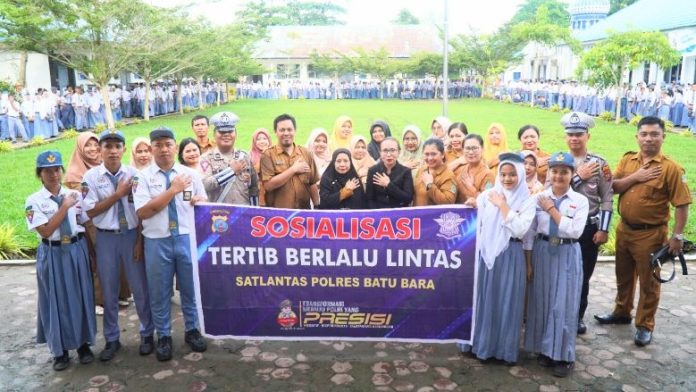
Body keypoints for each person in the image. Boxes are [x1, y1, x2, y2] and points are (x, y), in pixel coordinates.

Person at [594, 116, 691, 347]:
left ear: (663, 137)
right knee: (623, 276)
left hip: (651, 234)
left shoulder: (672, 169)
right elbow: (613, 188)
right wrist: (636, 177)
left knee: (649, 282)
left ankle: (645, 325)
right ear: (637, 136)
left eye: (654, 134)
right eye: (644, 134)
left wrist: (676, 236)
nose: (648, 139)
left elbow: (682, 205)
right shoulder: (628, 161)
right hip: (624, 229)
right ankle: (622, 312)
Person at [132, 127, 208, 362]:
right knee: (159, 292)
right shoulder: (142, 177)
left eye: (168, 144)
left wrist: (199, 200)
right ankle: (163, 336)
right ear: (152, 148)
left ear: (175, 146)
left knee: (190, 289)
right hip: (157, 241)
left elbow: (203, 199)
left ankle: (192, 330)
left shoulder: (190, 174)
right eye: (158, 145)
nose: (164, 149)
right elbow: (144, 212)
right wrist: (173, 190)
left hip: (186, 238)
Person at [82, 130, 154, 361]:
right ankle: (112, 339)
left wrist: (140, 241)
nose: (112, 151)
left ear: (123, 149)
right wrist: (118, 194)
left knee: (140, 288)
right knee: (109, 289)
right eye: (108, 147)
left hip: (132, 235)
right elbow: (90, 211)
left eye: (117, 146)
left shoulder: (135, 175)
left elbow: (142, 211)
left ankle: (147, 334)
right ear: (100, 150)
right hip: (106, 238)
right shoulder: (91, 178)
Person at [25, 150, 96, 371]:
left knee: (81, 295)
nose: (54, 174)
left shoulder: (75, 195)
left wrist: (91, 255)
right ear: (40, 174)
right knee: (55, 300)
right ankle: (60, 351)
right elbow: (45, 231)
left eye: (57, 169)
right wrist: (63, 207)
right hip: (52, 253)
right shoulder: (34, 201)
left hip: (76, 249)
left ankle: (83, 344)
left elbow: (84, 226)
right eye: (47, 171)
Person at [524, 151, 589, 378]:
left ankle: (564, 355)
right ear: (549, 173)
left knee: (563, 305)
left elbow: (574, 230)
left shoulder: (580, 201)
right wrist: (529, 263)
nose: (559, 176)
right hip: (542, 251)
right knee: (541, 301)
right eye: (555, 171)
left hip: (566, 252)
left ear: (572, 174)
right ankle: (546, 349)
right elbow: (530, 233)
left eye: (564, 172)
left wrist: (551, 208)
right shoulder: (537, 199)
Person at [468, 152, 535, 365]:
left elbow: (520, 230)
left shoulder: (527, 200)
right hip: (488, 255)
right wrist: (471, 203)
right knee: (486, 300)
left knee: (507, 301)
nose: (507, 179)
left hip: (510, 255)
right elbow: (475, 213)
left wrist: (503, 206)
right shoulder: (488, 196)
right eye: (503, 174)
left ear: (521, 176)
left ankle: (504, 350)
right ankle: (482, 346)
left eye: (512, 175)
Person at [554, 112, 613, 335]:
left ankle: (577, 316)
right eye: (570, 134)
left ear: (587, 135)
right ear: (565, 137)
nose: (574, 139)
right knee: (559, 272)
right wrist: (577, 176)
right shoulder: (559, 161)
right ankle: (559, 311)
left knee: (582, 274)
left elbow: (607, 197)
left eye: (579, 134)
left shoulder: (600, 164)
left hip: (589, 229)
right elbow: (554, 191)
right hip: (562, 226)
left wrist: (604, 229)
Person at [260, 114, 319, 209]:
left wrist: (317, 206)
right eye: (282, 130)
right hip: (279, 216)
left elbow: (312, 183)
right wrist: (293, 170)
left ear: (295, 131)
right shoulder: (268, 155)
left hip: (303, 214)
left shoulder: (306, 153)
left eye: (289, 129)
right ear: (275, 132)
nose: (286, 133)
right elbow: (268, 185)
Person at [201, 112, 259, 205]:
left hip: (242, 213)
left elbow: (254, 189)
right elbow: (205, 185)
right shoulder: (206, 158)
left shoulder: (244, 156)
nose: (226, 134)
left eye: (230, 131)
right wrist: (231, 171)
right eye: (222, 132)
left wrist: (254, 211)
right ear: (214, 134)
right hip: (218, 215)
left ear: (235, 134)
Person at [366, 137, 414, 208]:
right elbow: (369, 199)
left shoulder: (405, 171)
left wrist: (388, 185)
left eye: (392, 150)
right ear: (380, 153)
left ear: (399, 152)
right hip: (379, 214)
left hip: (399, 214)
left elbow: (408, 198)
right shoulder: (373, 171)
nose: (389, 154)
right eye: (385, 150)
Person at [413, 138, 457, 206]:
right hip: (418, 215)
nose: (430, 158)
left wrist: (430, 185)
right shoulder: (422, 169)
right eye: (426, 154)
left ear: (442, 155)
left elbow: (448, 202)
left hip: (436, 216)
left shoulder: (448, 175)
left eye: (433, 154)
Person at [454, 134, 494, 207]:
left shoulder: (488, 174)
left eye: (474, 148)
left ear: (482, 149)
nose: (471, 152)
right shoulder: (460, 170)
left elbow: (488, 201)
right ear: (463, 150)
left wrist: (471, 188)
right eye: (467, 148)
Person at [249, 128, 272, 206]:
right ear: (254, 142)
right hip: (256, 194)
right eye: (258, 139)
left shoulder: (275, 153)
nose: (262, 141)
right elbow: (254, 171)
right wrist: (264, 155)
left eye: (265, 138)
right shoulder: (250, 155)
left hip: (273, 192)